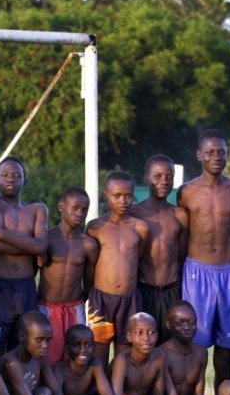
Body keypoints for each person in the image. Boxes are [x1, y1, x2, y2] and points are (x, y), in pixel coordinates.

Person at [177, 129, 230, 391]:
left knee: (226, 348)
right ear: (199, 155)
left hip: (229, 273)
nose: (216, 157)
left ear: (228, 155)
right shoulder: (187, 192)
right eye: (210, 152)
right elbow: (182, 235)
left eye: (221, 152)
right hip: (197, 273)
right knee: (195, 347)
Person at [0, 156, 48, 353]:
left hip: (27, 287)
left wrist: (2, 233)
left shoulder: (37, 209)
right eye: (5, 175)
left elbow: (42, 247)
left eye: (17, 175)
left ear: (25, 181)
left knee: (24, 346)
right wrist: (32, 245)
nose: (11, 178)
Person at [86, 172, 149, 367]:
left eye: (128, 196)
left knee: (125, 356)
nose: (123, 201)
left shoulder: (140, 227)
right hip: (101, 300)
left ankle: (119, 387)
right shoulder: (95, 227)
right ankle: (99, 386)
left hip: (129, 300)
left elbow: (138, 257)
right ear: (105, 195)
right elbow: (91, 263)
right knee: (98, 354)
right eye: (117, 196)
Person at [130, 155, 188, 344]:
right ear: (146, 177)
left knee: (172, 346)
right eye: (158, 176)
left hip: (173, 290)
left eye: (169, 177)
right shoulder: (134, 213)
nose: (164, 181)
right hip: (144, 290)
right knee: (145, 345)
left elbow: (182, 256)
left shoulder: (179, 214)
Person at [37, 187, 98, 364]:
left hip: (74, 307)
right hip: (47, 306)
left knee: (76, 356)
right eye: (75, 208)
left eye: (84, 210)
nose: (80, 214)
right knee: (47, 356)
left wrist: (79, 301)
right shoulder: (47, 238)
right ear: (61, 206)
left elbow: (89, 280)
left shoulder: (88, 244)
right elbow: (35, 268)